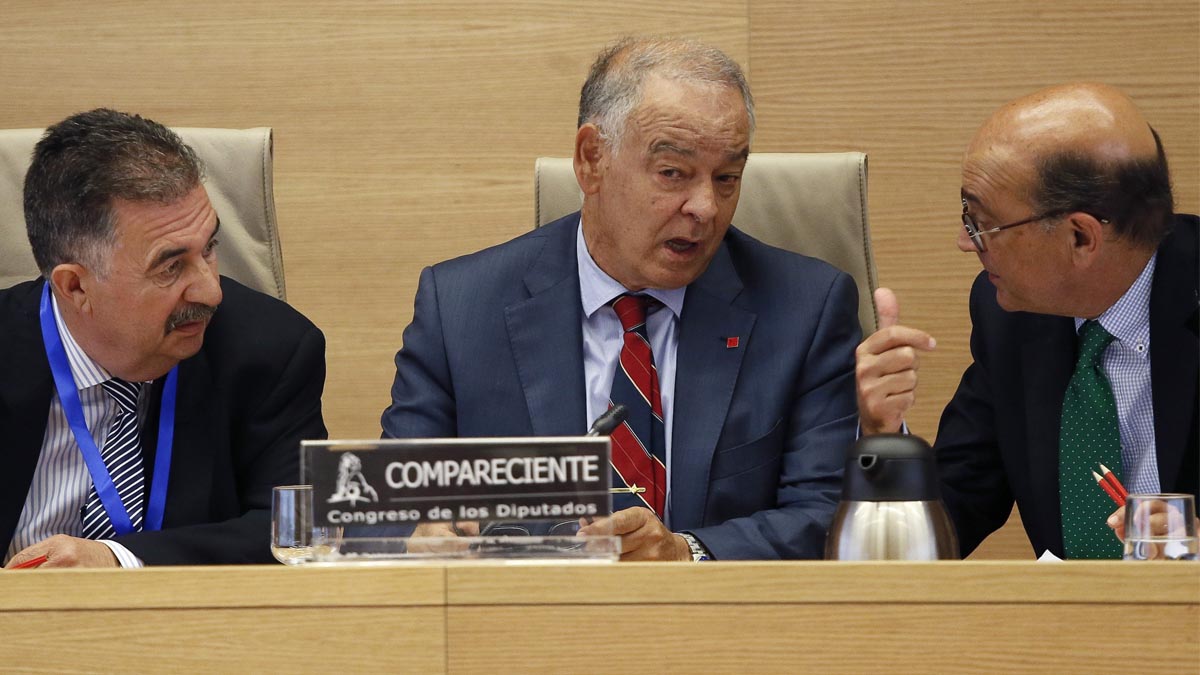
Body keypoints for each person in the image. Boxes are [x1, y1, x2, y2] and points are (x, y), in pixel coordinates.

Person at [381, 37, 861, 561]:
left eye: (727, 178)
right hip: (522, 628)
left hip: (726, 629)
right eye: (673, 173)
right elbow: (382, 514)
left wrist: (687, 553)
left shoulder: (805, 309)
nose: (706, 207)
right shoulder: (461, 308)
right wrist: (415, 537)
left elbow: (827, 514)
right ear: (592, 161)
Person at [855, 83, 1198, 558]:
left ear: (1081, 237)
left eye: (981, 224)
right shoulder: (1010, 316)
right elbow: (948, 517)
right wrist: (885, 439)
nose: (963, 241)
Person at [1, 109, 327, 568]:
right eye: (170, 267)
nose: (210, 291)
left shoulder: (272, 349)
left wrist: (118, 560)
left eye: (209, 248)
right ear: (75, 286)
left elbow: (297, 534)